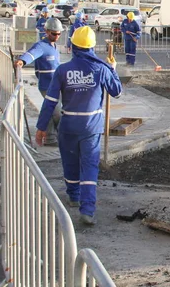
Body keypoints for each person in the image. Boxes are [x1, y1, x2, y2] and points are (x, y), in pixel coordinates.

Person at [35, 26, 122, 225]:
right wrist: (112, 69)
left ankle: (73, 196)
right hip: (91, 127)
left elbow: (50, 101)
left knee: (70, 162)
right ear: (92, 47)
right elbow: (116, 91)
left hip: (68, 125)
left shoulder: (62, 70)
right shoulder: (101, 68)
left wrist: (41, 128)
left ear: (73, 45)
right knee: (90, 167)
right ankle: (87, 210)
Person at [15, 18, 64, 145]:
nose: (57, 36)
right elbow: (31, 54)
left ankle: (51, 138)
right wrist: (22, 61)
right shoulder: (41, 46)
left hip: (56, 86)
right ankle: (55, 137)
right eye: (54, 33)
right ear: (46, 32)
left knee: (50, 110)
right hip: (46, 86)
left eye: (59, 33)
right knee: (56, 112)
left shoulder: (55, 46)